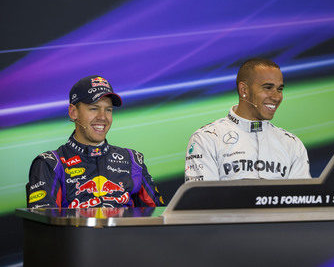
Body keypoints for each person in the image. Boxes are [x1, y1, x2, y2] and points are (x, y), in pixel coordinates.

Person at [26, 75, 165, 208]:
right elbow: (43, 225)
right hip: (77, 233)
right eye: (94, 108)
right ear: (73, 112)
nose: (103, 117)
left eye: (108, 110)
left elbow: (159, 216)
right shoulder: (50, 164)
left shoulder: (133, 160)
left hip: (125, 233)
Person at [185, 58, 311, 181]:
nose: (276, 97)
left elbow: (303, 198)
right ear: (244, 90)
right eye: (268, 87)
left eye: (279, 89)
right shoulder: (207, 138)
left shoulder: (293, 144)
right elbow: (202, 199)